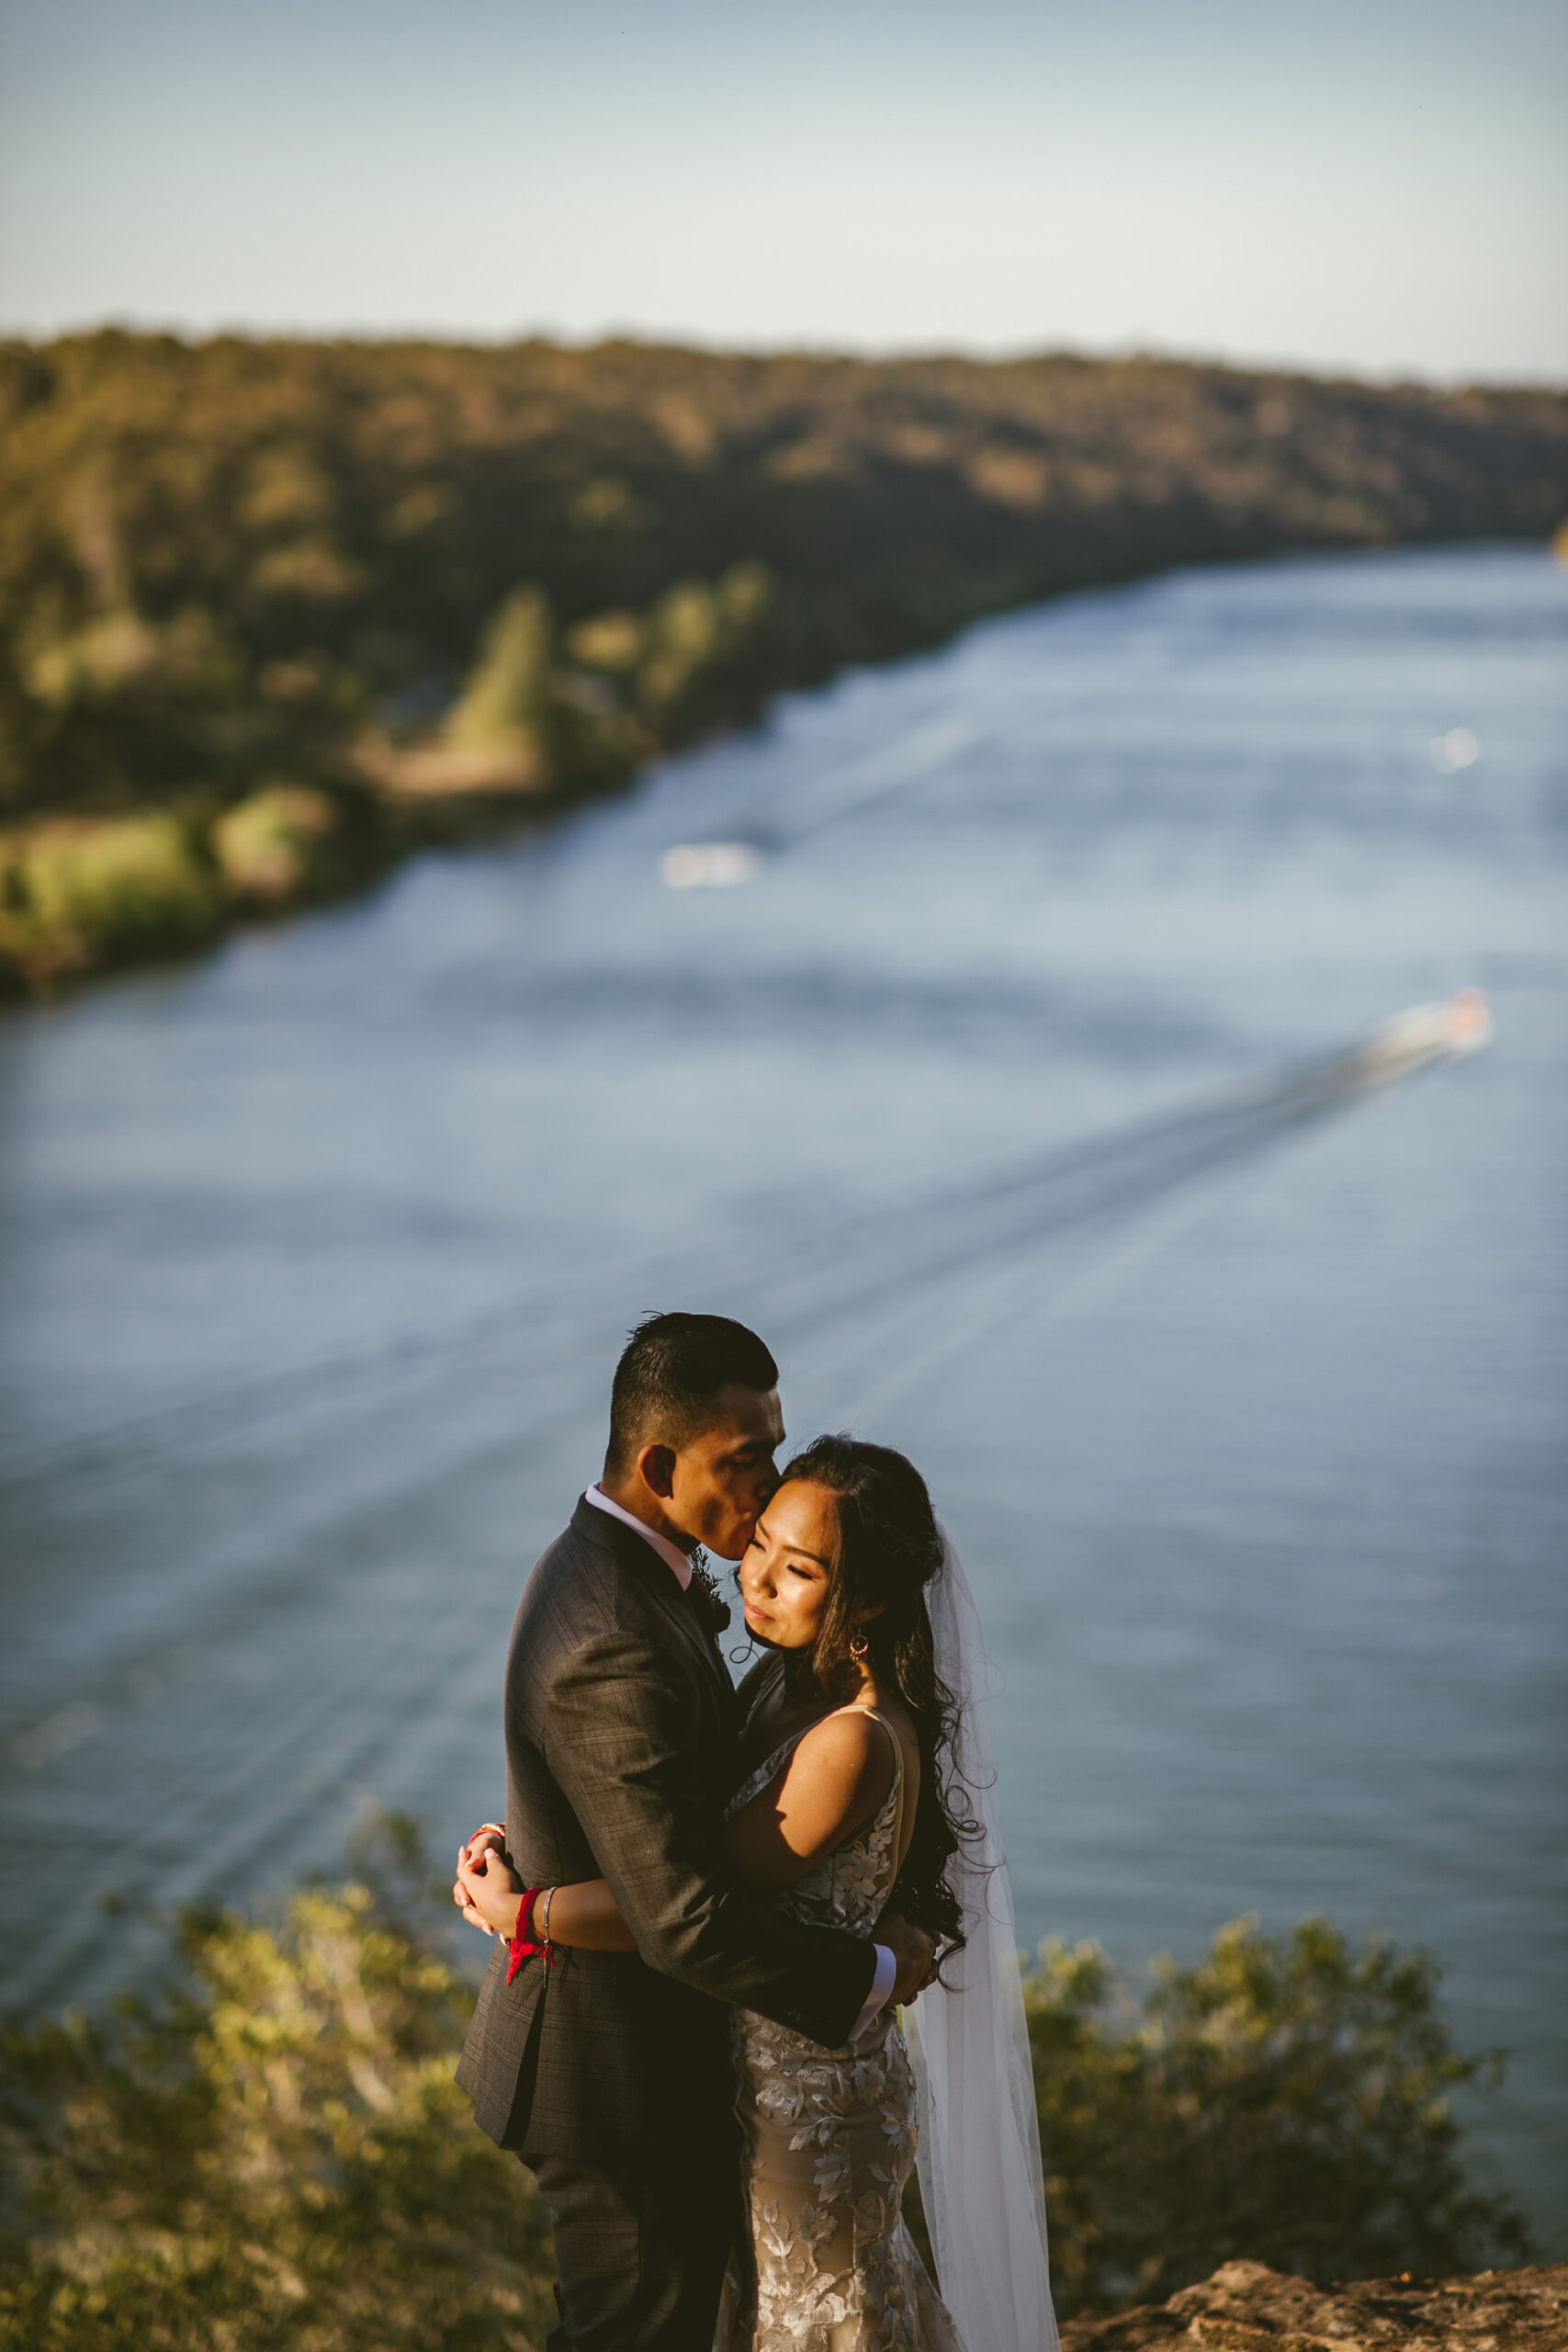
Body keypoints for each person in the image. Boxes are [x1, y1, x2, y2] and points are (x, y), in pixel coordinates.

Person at [461, 1405, 1059, 2352]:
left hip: (810, 2107)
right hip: (759, 2079)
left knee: (818, 2321)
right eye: (763, 1543)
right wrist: (536, 1832)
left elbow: (689, 1898)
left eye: (800, 1570)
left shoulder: (850, 1741)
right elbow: (662, 1817)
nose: (757, 1576)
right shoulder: (787, 1680)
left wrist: (523, 1909)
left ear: (864, 1600)